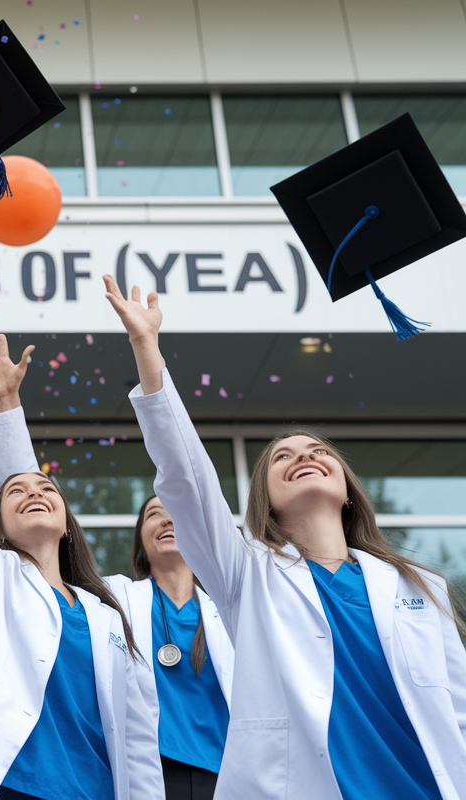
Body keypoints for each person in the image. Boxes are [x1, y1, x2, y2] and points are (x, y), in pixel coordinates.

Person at [104, 274, 466, 800]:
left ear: (346, 491)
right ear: (266, 501)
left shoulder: (420, 586)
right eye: (283, 456)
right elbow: (186, 479)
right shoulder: (247, 576)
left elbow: (457, 706)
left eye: (319, 452)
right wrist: (146, 348)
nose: (304, 457)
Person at [0, 334, 235, 800]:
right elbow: (32, 514)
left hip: (227, 770)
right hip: (152, 768)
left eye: (176, 513)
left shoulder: (231, 602)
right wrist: (7, 402)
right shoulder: (113, 601)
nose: (168, 519)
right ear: (139, 542)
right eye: (154, 514)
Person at [0, 280, 163, 800]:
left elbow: (139, 739)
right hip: (12, 788)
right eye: (15, 492)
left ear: (66, 521)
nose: (34, 493)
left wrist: (9, 400)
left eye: (46, 490)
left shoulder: (109, 609)